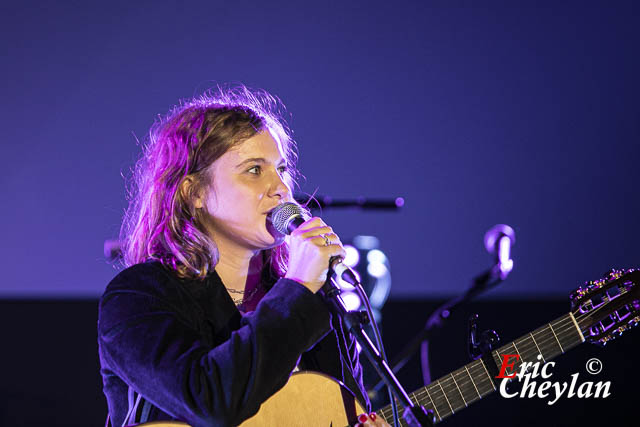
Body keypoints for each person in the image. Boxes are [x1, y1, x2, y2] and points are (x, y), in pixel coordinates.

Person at [98, 85, 389, 427]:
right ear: (195, 193)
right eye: (254, 170)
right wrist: (296, 288)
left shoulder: (319, 301)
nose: (280, 187)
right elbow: (211, 401)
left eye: (281, 169)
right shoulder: (139, 296)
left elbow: (341, 412)